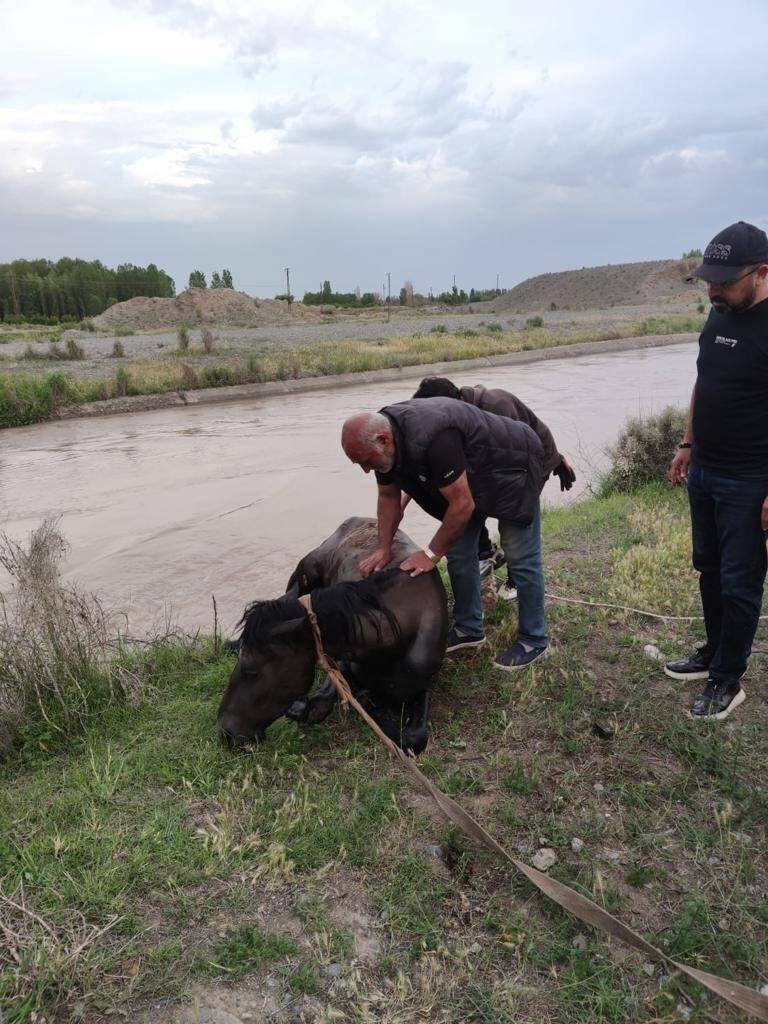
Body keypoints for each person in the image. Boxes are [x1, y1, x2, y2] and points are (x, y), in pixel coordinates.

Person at [341, 398, 549, 669]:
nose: (366, 469)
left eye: (366, 462)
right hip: (472, 476)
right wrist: (383, 547)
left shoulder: (434, 438)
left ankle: (534, 639)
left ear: (383, 440)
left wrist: (430, 553)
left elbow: (462, 504)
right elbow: (388, 495)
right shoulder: (384, 443)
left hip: (514, 466)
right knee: (460, 552)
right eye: (359, 464)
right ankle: (468, 629)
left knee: (520, 555)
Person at [667, 220, 768, 720]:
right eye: (709, 280)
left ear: (762, 273)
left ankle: (729, 678)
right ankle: (713, 650)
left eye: (724, 282)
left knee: (740, 581)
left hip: (750, 480)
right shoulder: (720, 314)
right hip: (706, 468)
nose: (712, 290)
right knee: (707, 567)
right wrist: (688, 442)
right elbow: (703, 381)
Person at [411, 377, 575, 596]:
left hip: (529, 463)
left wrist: (558, 458)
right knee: (466, 507)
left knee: (513, 524)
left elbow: (520, 451)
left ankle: (515, 578)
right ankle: (487, 551)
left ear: (453, 402)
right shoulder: (458, 414)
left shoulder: (497, 406)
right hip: (491, 465)